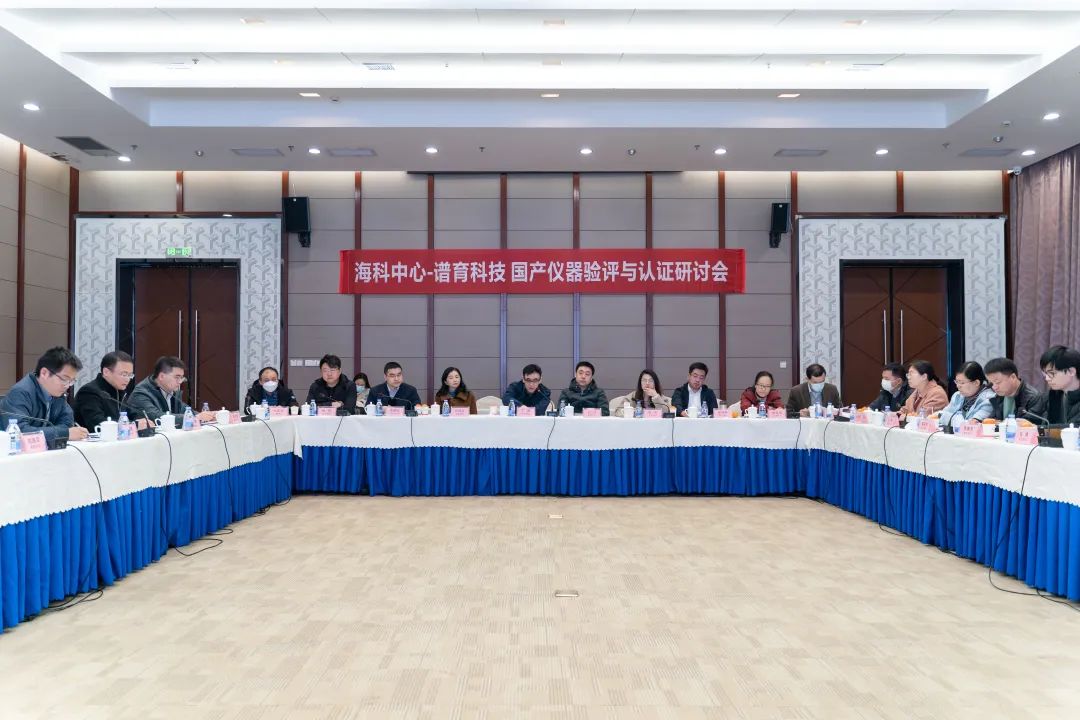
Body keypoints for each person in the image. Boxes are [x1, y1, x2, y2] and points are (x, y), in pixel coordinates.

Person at [0, 346, 88, 447]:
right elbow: (19, 431)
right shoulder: (20, 393)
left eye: (71, 381)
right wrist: (64, 433)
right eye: (64, 379)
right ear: (44, 373)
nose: (67, 386)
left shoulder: (57, 394)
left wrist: (61, 432)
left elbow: (67, 423)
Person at [73, 350, 149, 431]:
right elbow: (98, 424)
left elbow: (133, 414)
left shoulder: (119, 391)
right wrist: (134, 425)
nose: (127, 379)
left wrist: (142, 421)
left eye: (130, 375)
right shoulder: (89, 392)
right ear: (106, 372)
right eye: (124, 374)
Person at [128, 356, 215, 424]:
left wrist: (209, 415)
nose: (180, 382)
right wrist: (196, 418)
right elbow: (157, 417)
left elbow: (186, 411)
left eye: (182, 378)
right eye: (177, 377)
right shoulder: (140, 393)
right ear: (161, 376)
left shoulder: (171, 391)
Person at [984, 356, 1047, 422]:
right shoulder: (999, 396)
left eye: (997, 382)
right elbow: (993, 420)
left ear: (1013, 377)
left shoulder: (1034, 398)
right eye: (991, 383)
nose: (994, 387)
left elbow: (1029, 424)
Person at [939, 361, 997, 428]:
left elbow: (972, 424)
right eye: (957, 382)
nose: (958, 386)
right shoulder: (957, 395)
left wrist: (949, 419)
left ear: (976, 383)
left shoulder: (989, 399)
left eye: (962, 383)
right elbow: (942, 415)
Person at [1040, 345, 1080, 425]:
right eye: (1045, 374)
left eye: (1051, 373)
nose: (1047, 378)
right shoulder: (1051, 396)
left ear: (1071, 371)